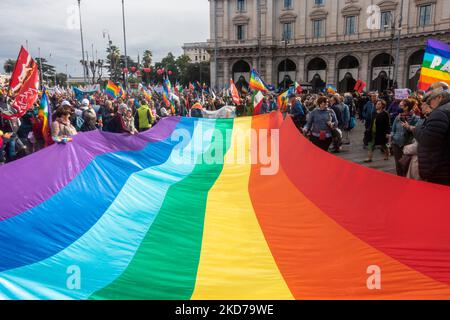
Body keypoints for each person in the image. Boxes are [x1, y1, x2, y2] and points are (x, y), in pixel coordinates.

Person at [403, 82, 450, 185]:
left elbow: (428, 140)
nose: (428, 103)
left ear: (439, 97)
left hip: (439, 168)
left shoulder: (440, 112)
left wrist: (416, 129)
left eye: (430, 99)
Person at [390, 98, 421, 176]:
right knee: (398, 163)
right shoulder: (398, 117)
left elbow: (417, 131)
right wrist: (392, 138)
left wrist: (408, 127)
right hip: (396, 143)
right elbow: (393, 129)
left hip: (408, 144)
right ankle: (400, 179)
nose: (398, 107)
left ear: (406, 107)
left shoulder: (415, 118)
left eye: (401, 105)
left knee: (406, 163)